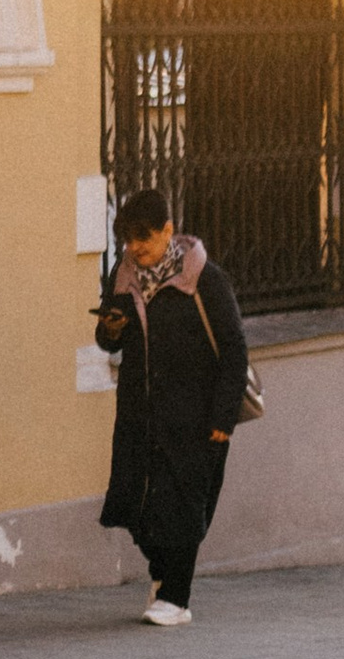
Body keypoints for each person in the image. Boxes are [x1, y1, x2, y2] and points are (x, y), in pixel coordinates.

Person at [96, 185, 248, 627]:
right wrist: (111, 328)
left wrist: (223, 418)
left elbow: (234, 349)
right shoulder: (124, 276)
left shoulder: (205, 279)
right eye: (128, 239)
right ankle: (163, 576)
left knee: (185, 505)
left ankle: (176, 598)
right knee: (137, 504)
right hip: (141, 413)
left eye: (143, 237)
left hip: (195, 416)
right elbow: (108, 340)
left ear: (167, 230)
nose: (135, 248)